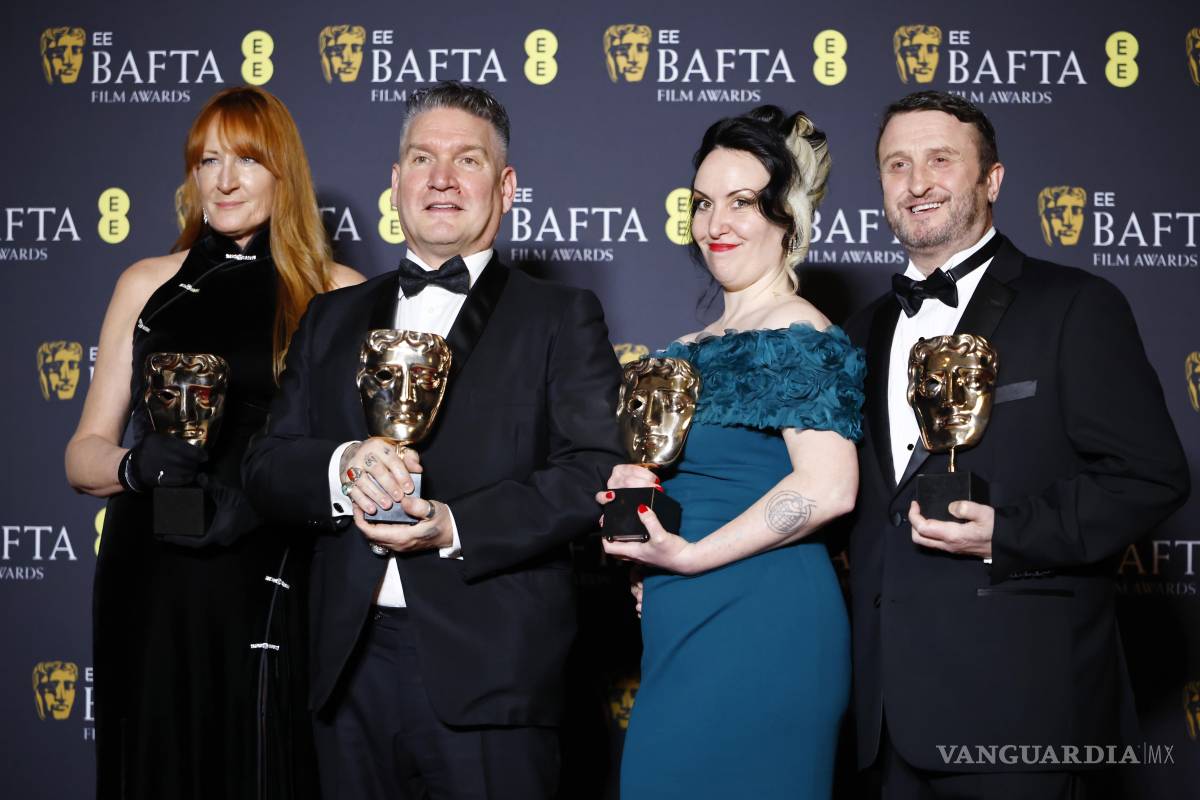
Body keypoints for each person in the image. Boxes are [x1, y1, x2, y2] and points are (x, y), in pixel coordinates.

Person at [242, 81, 624, 800]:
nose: (441, 178)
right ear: (396, 182)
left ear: (505, 187)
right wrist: (342, 465)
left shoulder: (560, 315)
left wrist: (455, 525)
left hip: (496, 675)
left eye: (467, 160)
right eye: (422, 158)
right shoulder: (329, 318)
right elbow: (265, 465)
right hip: (346, 673)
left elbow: (591, 471)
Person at [844, 90, 1190, 798]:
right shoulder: (859, 331)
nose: (917, 182)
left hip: (1021, 710)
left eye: (941, 160)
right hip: (886, 721)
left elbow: (1150, 475)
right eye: (896, 164)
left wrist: (1009, 533)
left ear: (992, 179)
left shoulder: (1075, 305)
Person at [65, 85, 362, 799]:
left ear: (284, 171)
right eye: (207, 161)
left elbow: (360, 463)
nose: (224, 181)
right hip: (153, 570)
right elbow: (82, 454)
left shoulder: (337, 291)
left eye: (247, 160)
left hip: (274, 563)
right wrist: (136, 467)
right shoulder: (146, 284)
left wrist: (269, 503)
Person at [599, 106, 865, 800]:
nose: (716, 223)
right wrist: (644, 527)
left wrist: (689, 556)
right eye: (702, 203)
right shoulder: (684, 350)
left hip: (768, 623)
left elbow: (829, 487)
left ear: (787, 216)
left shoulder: (798, 330)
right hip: (679, 621)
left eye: (742, 201)